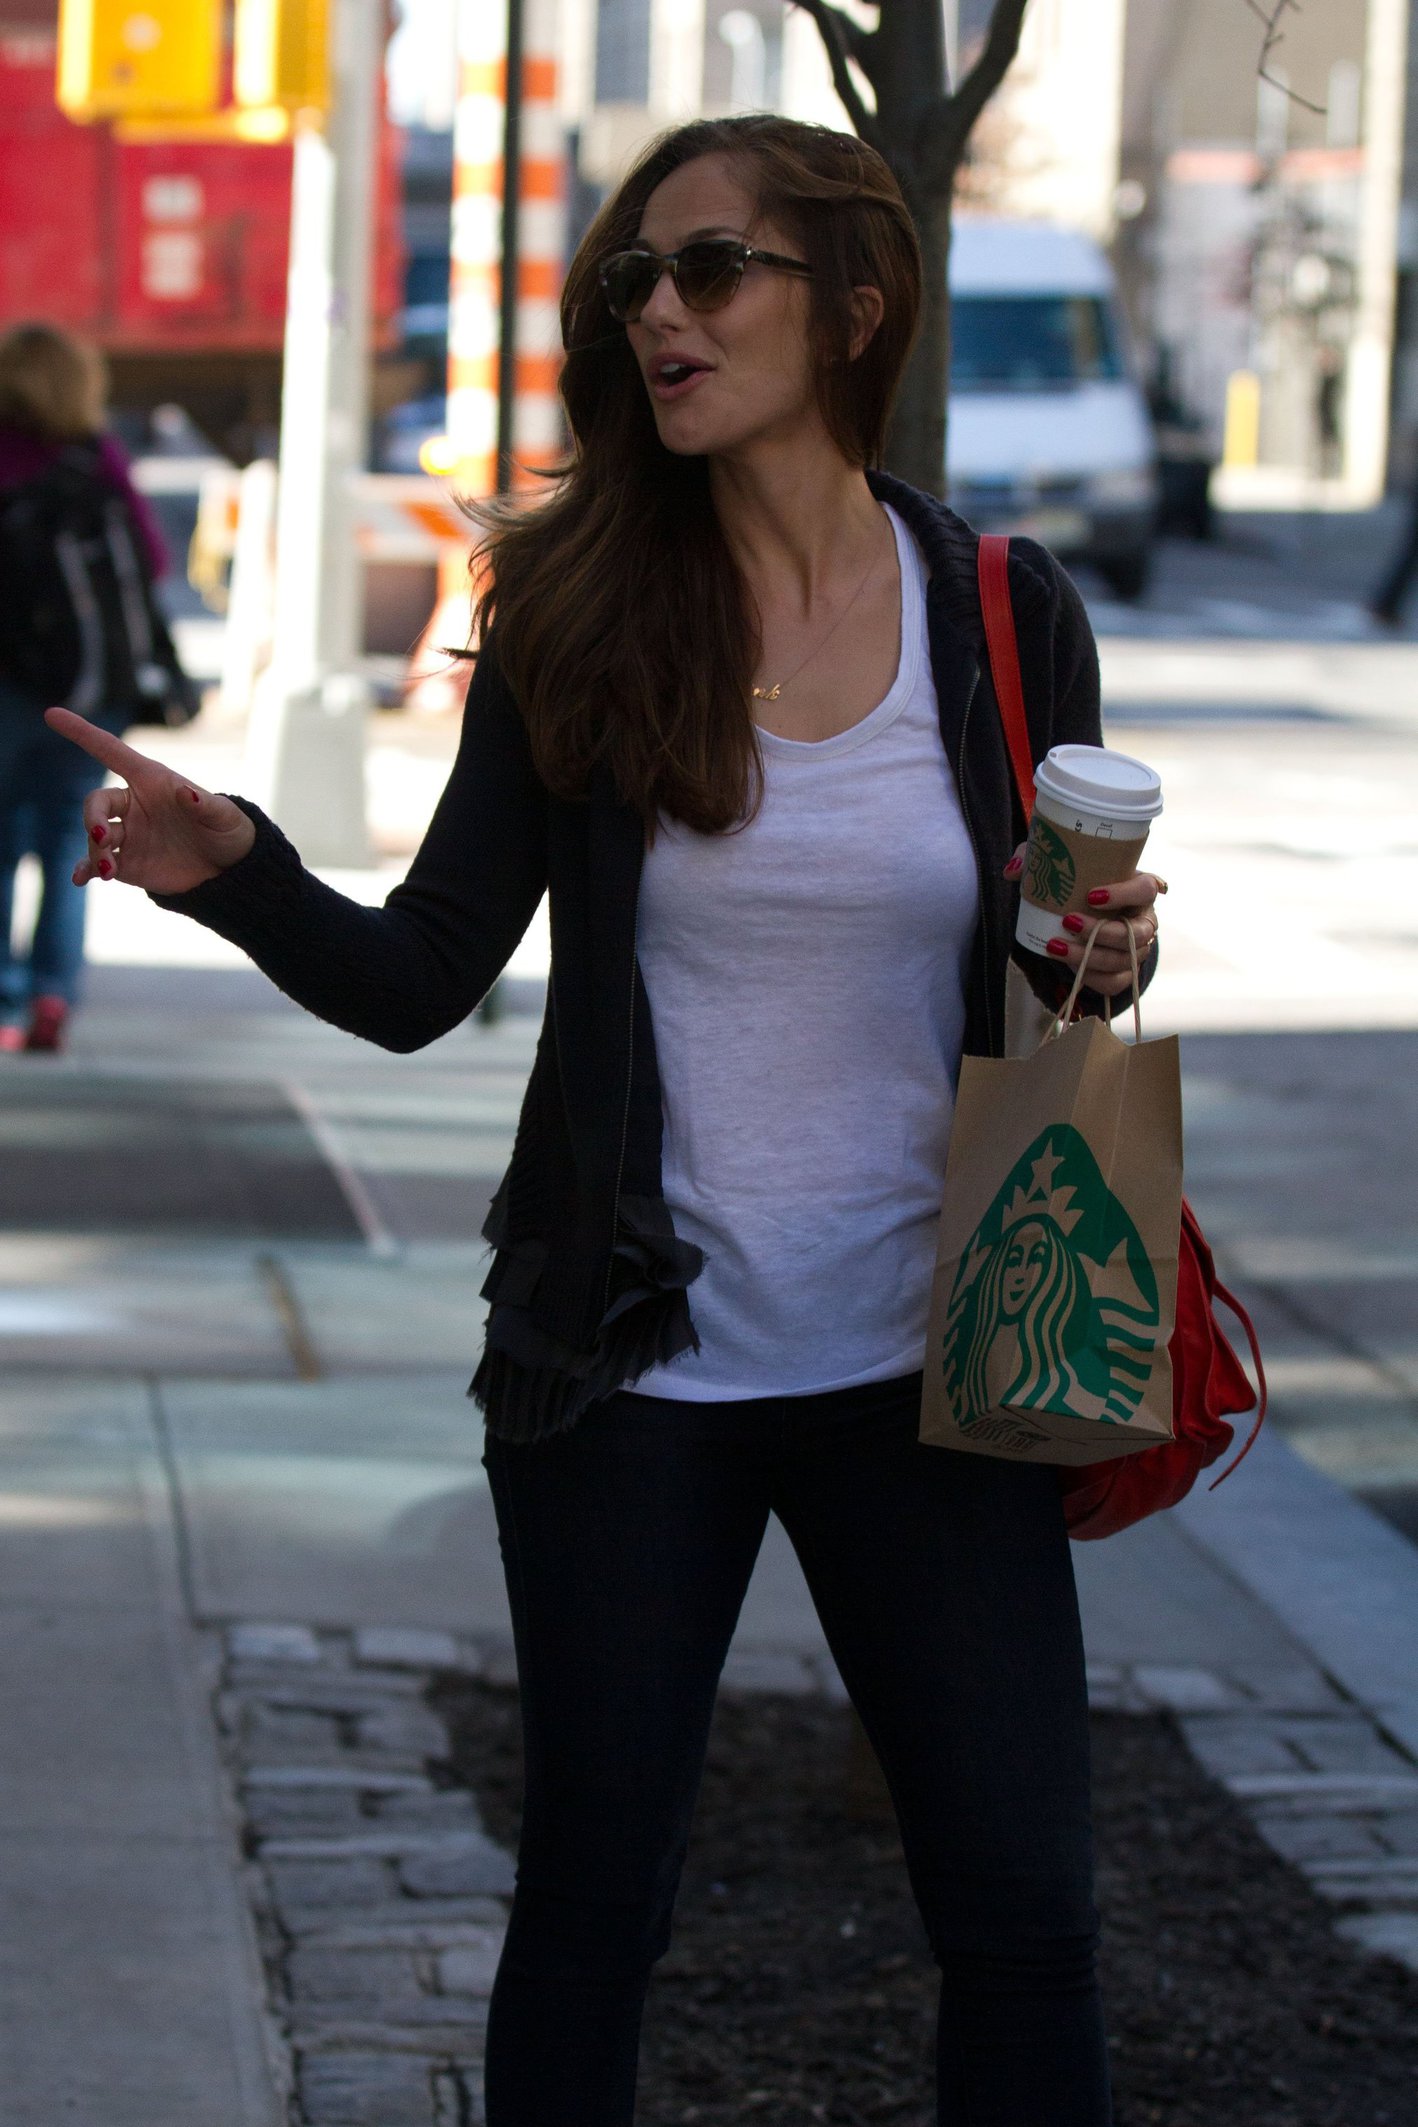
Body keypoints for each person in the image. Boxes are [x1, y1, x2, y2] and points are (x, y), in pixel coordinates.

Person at [49, 116, 1162, 2125]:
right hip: (629, 1364)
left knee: (1024, 1917)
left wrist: (1098, 951)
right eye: (635, 277)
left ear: (851, 305)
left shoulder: (1002, 611)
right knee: (588, 1910)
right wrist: (240, 873)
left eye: (711, 268)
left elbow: (1046, 982)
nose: (660, 310)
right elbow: (422, 976)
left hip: (931, 1361)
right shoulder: (573, 608)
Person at [0, 322, 171, 1052]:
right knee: (73, 837)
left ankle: (4, 997)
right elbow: (152, 560)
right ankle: (53, 994)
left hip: (10, 685)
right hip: (92, 691)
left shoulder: (7, 458)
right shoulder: (97, 458)